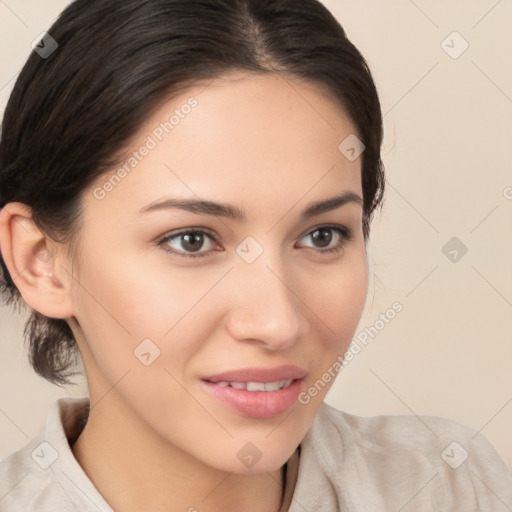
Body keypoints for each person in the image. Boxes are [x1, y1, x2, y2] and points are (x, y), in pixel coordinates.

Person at [0, 0, 511, 511]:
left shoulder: (452, 485)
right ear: (40, 260)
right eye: (192, 240)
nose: (278, 323)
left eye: (322, 236)